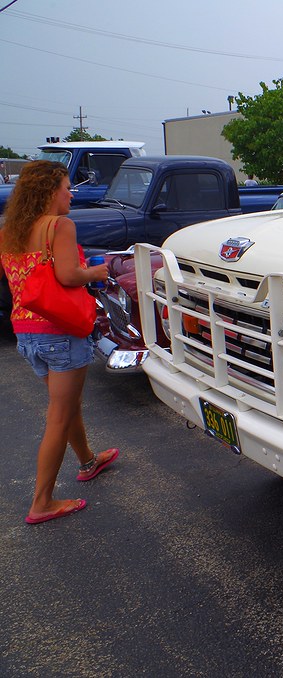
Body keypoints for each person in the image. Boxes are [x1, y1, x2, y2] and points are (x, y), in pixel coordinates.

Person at [0, 160, 118, 525]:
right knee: (59, 415)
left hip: (26, 332)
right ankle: (42, 502)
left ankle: (88, 461)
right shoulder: (59, 226)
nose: (71, 194)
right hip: (60, 333)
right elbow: (68, 275)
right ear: (50, 191)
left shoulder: (9, 231)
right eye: (67, 187)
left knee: (66, 405)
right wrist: (95, 273)